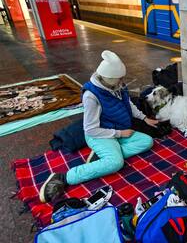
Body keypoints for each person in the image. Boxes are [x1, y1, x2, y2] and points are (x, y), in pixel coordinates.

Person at [39, 50, 158, 203]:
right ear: (109, 78)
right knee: (116, 163)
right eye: (119, 79)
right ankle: (64, 177)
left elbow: (127, 103)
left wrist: (144, 118)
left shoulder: (117, 86)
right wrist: (120, 134)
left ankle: (103, 159)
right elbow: (90, 130)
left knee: (147, 141)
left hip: (118, 130)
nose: (122, 81)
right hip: (100, 135)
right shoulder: (91, 96)